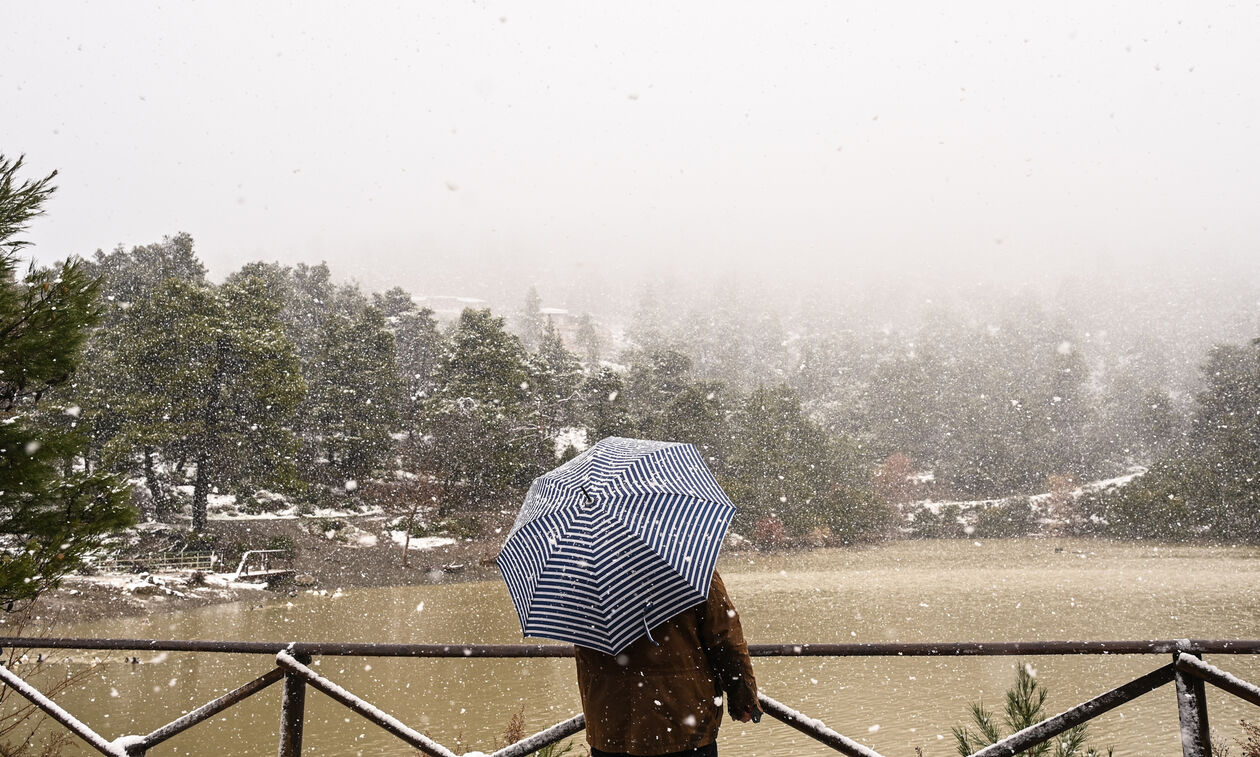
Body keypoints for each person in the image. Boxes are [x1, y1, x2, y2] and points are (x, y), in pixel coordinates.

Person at [574, 570, 760, 757]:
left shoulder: (583, 574)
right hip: (682, 723)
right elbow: (724, 639)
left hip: (610, 724)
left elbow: (583, 650)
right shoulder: (689, 566)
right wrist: (743, 697)